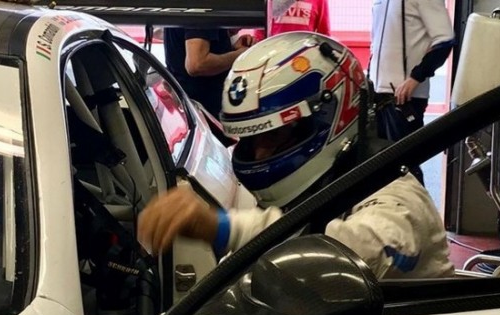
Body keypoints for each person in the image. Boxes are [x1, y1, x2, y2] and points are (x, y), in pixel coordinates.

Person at [138, 32, 454, 280]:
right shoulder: (313, 184)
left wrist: (220, 228)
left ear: (330, 119)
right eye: (250, 138)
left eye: (273, 135)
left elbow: (357, 251)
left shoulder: (397, 195)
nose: (258, 152)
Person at [369, 0, 455, 184]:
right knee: (379, 171)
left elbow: (445, 41)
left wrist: (415, 77)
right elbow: (376, 44)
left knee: (405, 168)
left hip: (405, 98)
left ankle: (418, 202)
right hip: (377, 95)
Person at [163, 27, 254, 119]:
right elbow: (197, 64)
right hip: (203, 109)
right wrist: (240, 55)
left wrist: (231, 49)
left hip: (190, 107)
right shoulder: (202, 18)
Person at [253, 0, 331, 41]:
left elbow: (324, 34)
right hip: (274, 54)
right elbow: (259, 33)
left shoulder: (320, 1)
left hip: (304, 56)